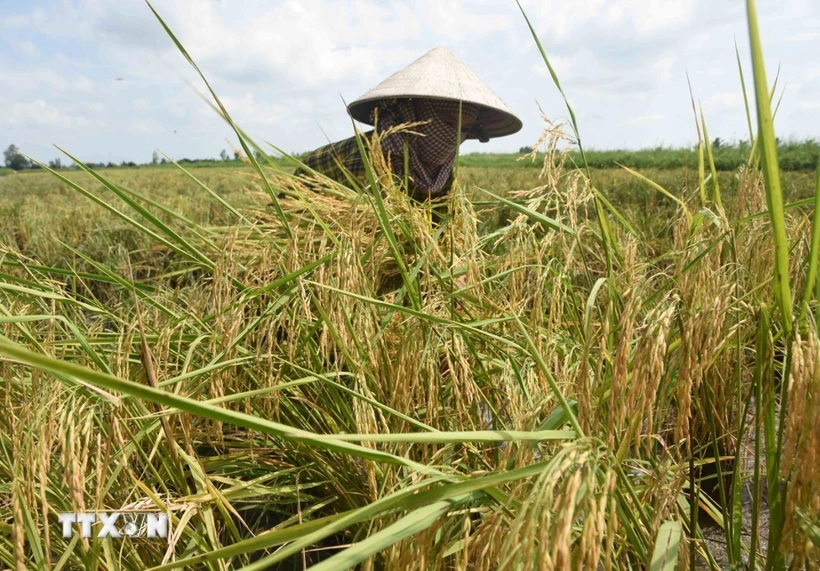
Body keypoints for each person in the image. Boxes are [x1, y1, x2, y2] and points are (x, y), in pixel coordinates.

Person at [294, 47, 522, 201]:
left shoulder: (442, 171)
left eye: (463, 129)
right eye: (446, 122)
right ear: (414, 117)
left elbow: (441, 225)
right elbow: (364, 235)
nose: (454, 136)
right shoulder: (373, 158)